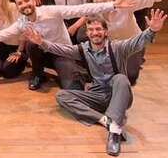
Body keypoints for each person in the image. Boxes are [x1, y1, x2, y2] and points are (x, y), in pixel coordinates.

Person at [24, 9, 167, 156]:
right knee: (62, 96)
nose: (94, 32)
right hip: (97, 95)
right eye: (91, 30)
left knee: (121, 78)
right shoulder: (82, 50)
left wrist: (151, 30)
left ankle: (114, 131)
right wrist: (41, 42)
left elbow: (136, 42)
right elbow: (61, 49)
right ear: (87, 33)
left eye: (98, 29)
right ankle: (106, 120)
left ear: (105, 32)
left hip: (119, 94)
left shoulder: (117, 47)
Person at [0, 0, 132, 90]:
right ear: (18, 8)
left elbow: (80, 8)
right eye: (20, 4)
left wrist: (112, 4)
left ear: (33, 1)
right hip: (41, 54)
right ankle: (37, 74)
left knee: (72, 87)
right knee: (33, 43)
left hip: (62, 53)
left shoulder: (51, 10)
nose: (25, 5)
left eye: (26, 1)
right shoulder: (22, 22)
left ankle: (78, 76)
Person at [89, 0, 168, 84]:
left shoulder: (124, 2)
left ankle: (137, 58)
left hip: (133, 43)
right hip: (113, 47)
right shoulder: (94, 11)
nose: (99, 0)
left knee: (130, 77)